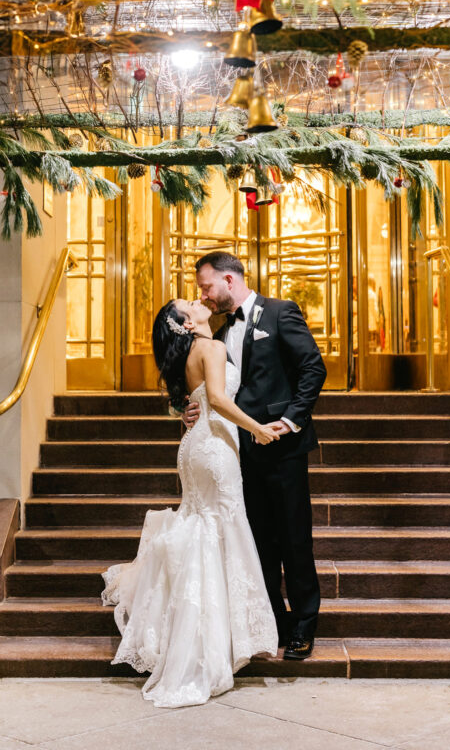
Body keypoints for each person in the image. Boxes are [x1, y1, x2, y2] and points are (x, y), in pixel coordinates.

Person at [102, 297, 281, 708]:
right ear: (184, 322)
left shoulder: (188, 354)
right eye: (190, 303)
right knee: (220, 529)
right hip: (214, 449)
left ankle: (199, 632)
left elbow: (188, 402)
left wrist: (183, 413)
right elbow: (216, 399)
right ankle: (209, 642)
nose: (199, 300)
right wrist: (258, 429)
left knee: (203, 527)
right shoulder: (213, 348)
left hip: (194, 447)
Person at [184, 252, 326, 661]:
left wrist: (290, 421)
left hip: (282, 449)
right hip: (237, 451)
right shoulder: (218, 333)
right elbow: (212, 388)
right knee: (259, 541)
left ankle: (303, 626)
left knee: (294, 539)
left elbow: (313, 368)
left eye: (207, 287)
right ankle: (274, 624)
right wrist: (191, 408)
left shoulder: (281, 313)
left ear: (230, 280)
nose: (205, 296)